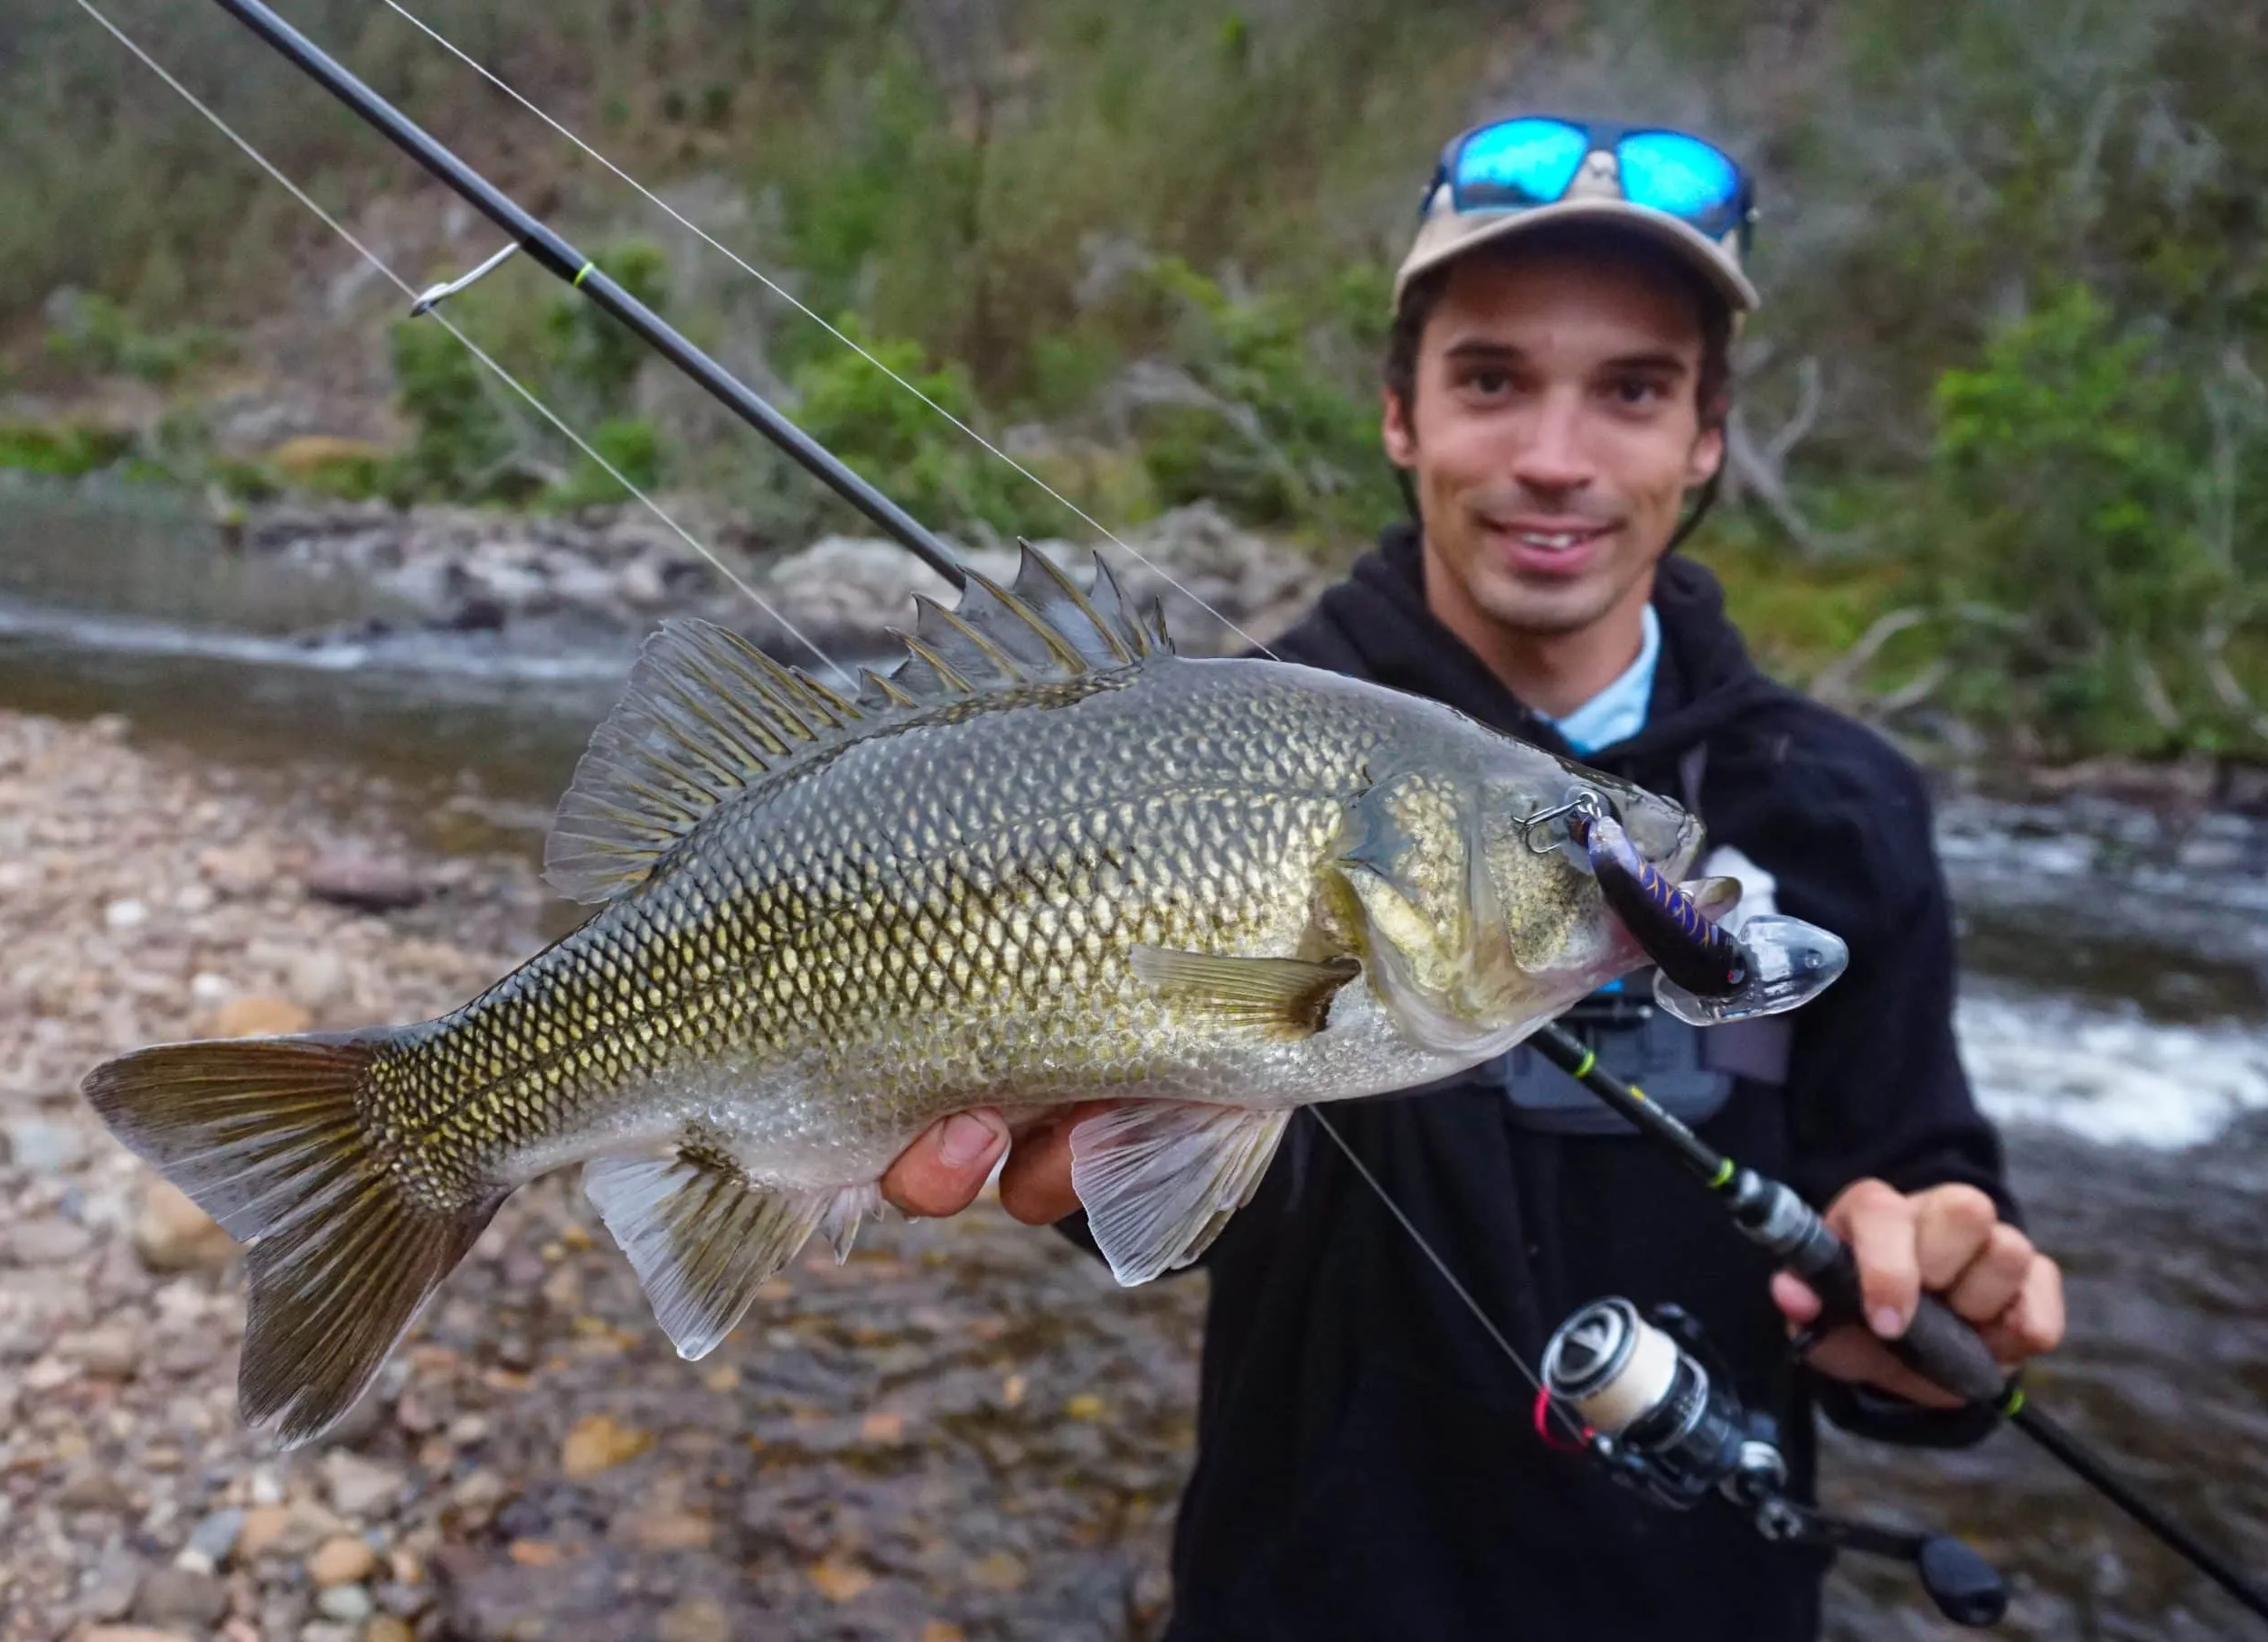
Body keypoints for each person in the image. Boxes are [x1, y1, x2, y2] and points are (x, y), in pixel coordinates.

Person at [877, 115, 2066, 1639]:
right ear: (1399, 414)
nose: (1555, 460)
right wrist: (1085, 1141)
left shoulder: (1846, 810)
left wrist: (1935, 1308)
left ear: (1707, 436)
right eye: (1492, 379)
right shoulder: (1202, 748)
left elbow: (1916, 1197)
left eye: (1632, 391)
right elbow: (1226, 1211)